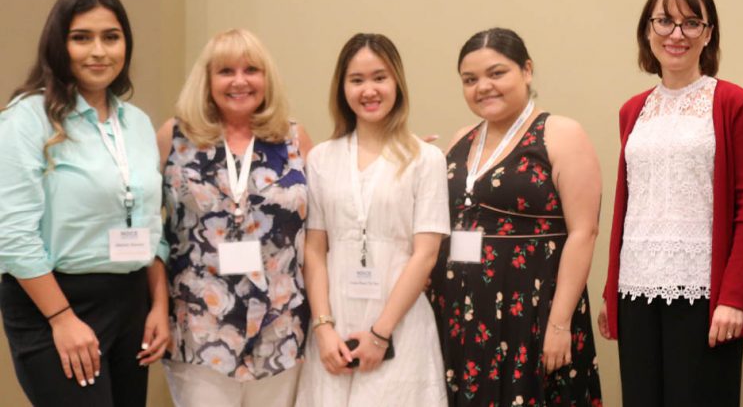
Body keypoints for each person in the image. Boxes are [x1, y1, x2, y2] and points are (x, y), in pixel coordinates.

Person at [596, 0, 743, 406]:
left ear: (708, 35)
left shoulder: (732, 103)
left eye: (692, 23)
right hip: (636, 288)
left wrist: (733, 297)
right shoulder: (632, 111)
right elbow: (630, 205)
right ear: (647, 31)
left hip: (704, 293)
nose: (677, 34)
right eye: (665, 22)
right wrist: (610, 290)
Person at [0, 0, 169, 406]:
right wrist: (61, 319)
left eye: (111, 37)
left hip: (130, 298)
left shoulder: (137, 123)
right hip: (55, 301)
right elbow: (12, 233)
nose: (99, 51)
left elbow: (152, 226)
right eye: (81, 38)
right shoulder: (27, 118)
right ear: (59, 45)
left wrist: (158, 306)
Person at [427, 28, 603, 406]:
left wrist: (559, 324)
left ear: (526, 70)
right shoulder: (462, 139)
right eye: (470, 80)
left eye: (496, 73)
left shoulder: (560, 134)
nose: (483, 87)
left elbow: (584, 233)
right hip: (461, 310)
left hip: (530, 312)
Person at [157, 29, 312, 406]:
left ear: (266, 78)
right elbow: (147, 228)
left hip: (281, 326)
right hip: (198, 326)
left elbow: (333, 210)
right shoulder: (175, 136)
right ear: (207, 80)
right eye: (226, 71)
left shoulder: (293, 138)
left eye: (251, 70)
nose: (240, 81)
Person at [294, 33, 450, 406]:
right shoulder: (321, 158)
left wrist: (381, 333)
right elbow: (314, 250)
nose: (369, 90)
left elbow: (425, 254)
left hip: (401, 322)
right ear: (342, 88)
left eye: (379, 77)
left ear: (397, 82)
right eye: (357, 80)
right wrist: (324, 327)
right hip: (333, 322)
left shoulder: (425, 158)